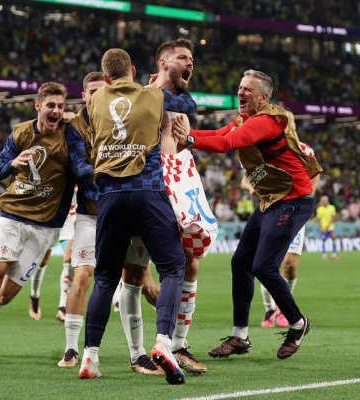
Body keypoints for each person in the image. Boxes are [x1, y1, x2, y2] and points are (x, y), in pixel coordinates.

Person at [173, 69, 322, 360]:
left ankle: (297, 323)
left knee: (263, 267)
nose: (241, 93)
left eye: (248, 90)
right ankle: (240, 336)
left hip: (292, 201)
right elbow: (218, 134)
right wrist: (186, 137)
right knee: (241, 261)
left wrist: (188, 139)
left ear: (264, 97)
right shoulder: (247, 118)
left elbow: (227, 144)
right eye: (240, 87)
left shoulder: (265, 122)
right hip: (272, 199)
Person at [79, 48, 197, 384]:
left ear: (104, 78)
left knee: (104, 278)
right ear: (132, 69)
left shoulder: (95, 100)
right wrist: (170, 81)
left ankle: (90, 356)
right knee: (173, 266)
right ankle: (163, 341)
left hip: (110, 197)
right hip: (147, 192)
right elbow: (189, 106)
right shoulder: (153, 95)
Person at [118, 38, 217, 375]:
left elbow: (179, 144)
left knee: (189, 265)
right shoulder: (150, 97)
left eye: (192, 58)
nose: (190, 62)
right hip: (149, 188)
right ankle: (137, 354)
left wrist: (188, 140)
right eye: (182, 57)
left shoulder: (178, 103)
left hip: (177, 186)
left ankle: (178, 345)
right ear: (163, 63)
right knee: (136, 274)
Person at [0, 82, 76, 366]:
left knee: (6, 296)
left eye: (61, 106)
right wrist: (14, 163)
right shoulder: (21, 133)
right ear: (38, 106)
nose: (56, 111)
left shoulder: (70, 136)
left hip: (44, 227)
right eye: (50, 105)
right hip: (11, 215)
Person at [56, 71, 162, 375]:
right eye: (91, 91)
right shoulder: (75, 126)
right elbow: (79, 167)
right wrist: (116, 184)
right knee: (84, 275)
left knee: (140, 282)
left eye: (101, 90)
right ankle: (73, 348)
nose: (95, 96)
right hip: (92, 213)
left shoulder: (128, 117)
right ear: (84, 95)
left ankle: (144, 351)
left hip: (128, 211)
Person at [257, 142, 319, 328]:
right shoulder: (264, 146)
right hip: (274, 212)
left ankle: (283, 308)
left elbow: (315, 174)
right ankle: (270, 309)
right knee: (268, 264)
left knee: (290, 265)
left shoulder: (305, 149)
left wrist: (305, 200)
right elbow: (251, 176)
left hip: (296, 212)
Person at [28, 196, 77, 322]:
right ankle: (34, 295)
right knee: (43, 260)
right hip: (52, 214)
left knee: (69, 258)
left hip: (71, 218)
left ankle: (63, 307)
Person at [316, 196, 339, 260]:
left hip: (330, 227)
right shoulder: (319, 209)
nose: (324, 201)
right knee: (324, 240)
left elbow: (333, 217)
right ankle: (324, 254)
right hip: (323, 228)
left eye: (325, 200)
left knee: (333, 238)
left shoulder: (332, 207)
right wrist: (320, 227)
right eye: (323, 200)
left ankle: (334, 254)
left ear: (327, 200)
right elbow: (318, 219)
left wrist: (328, 225)